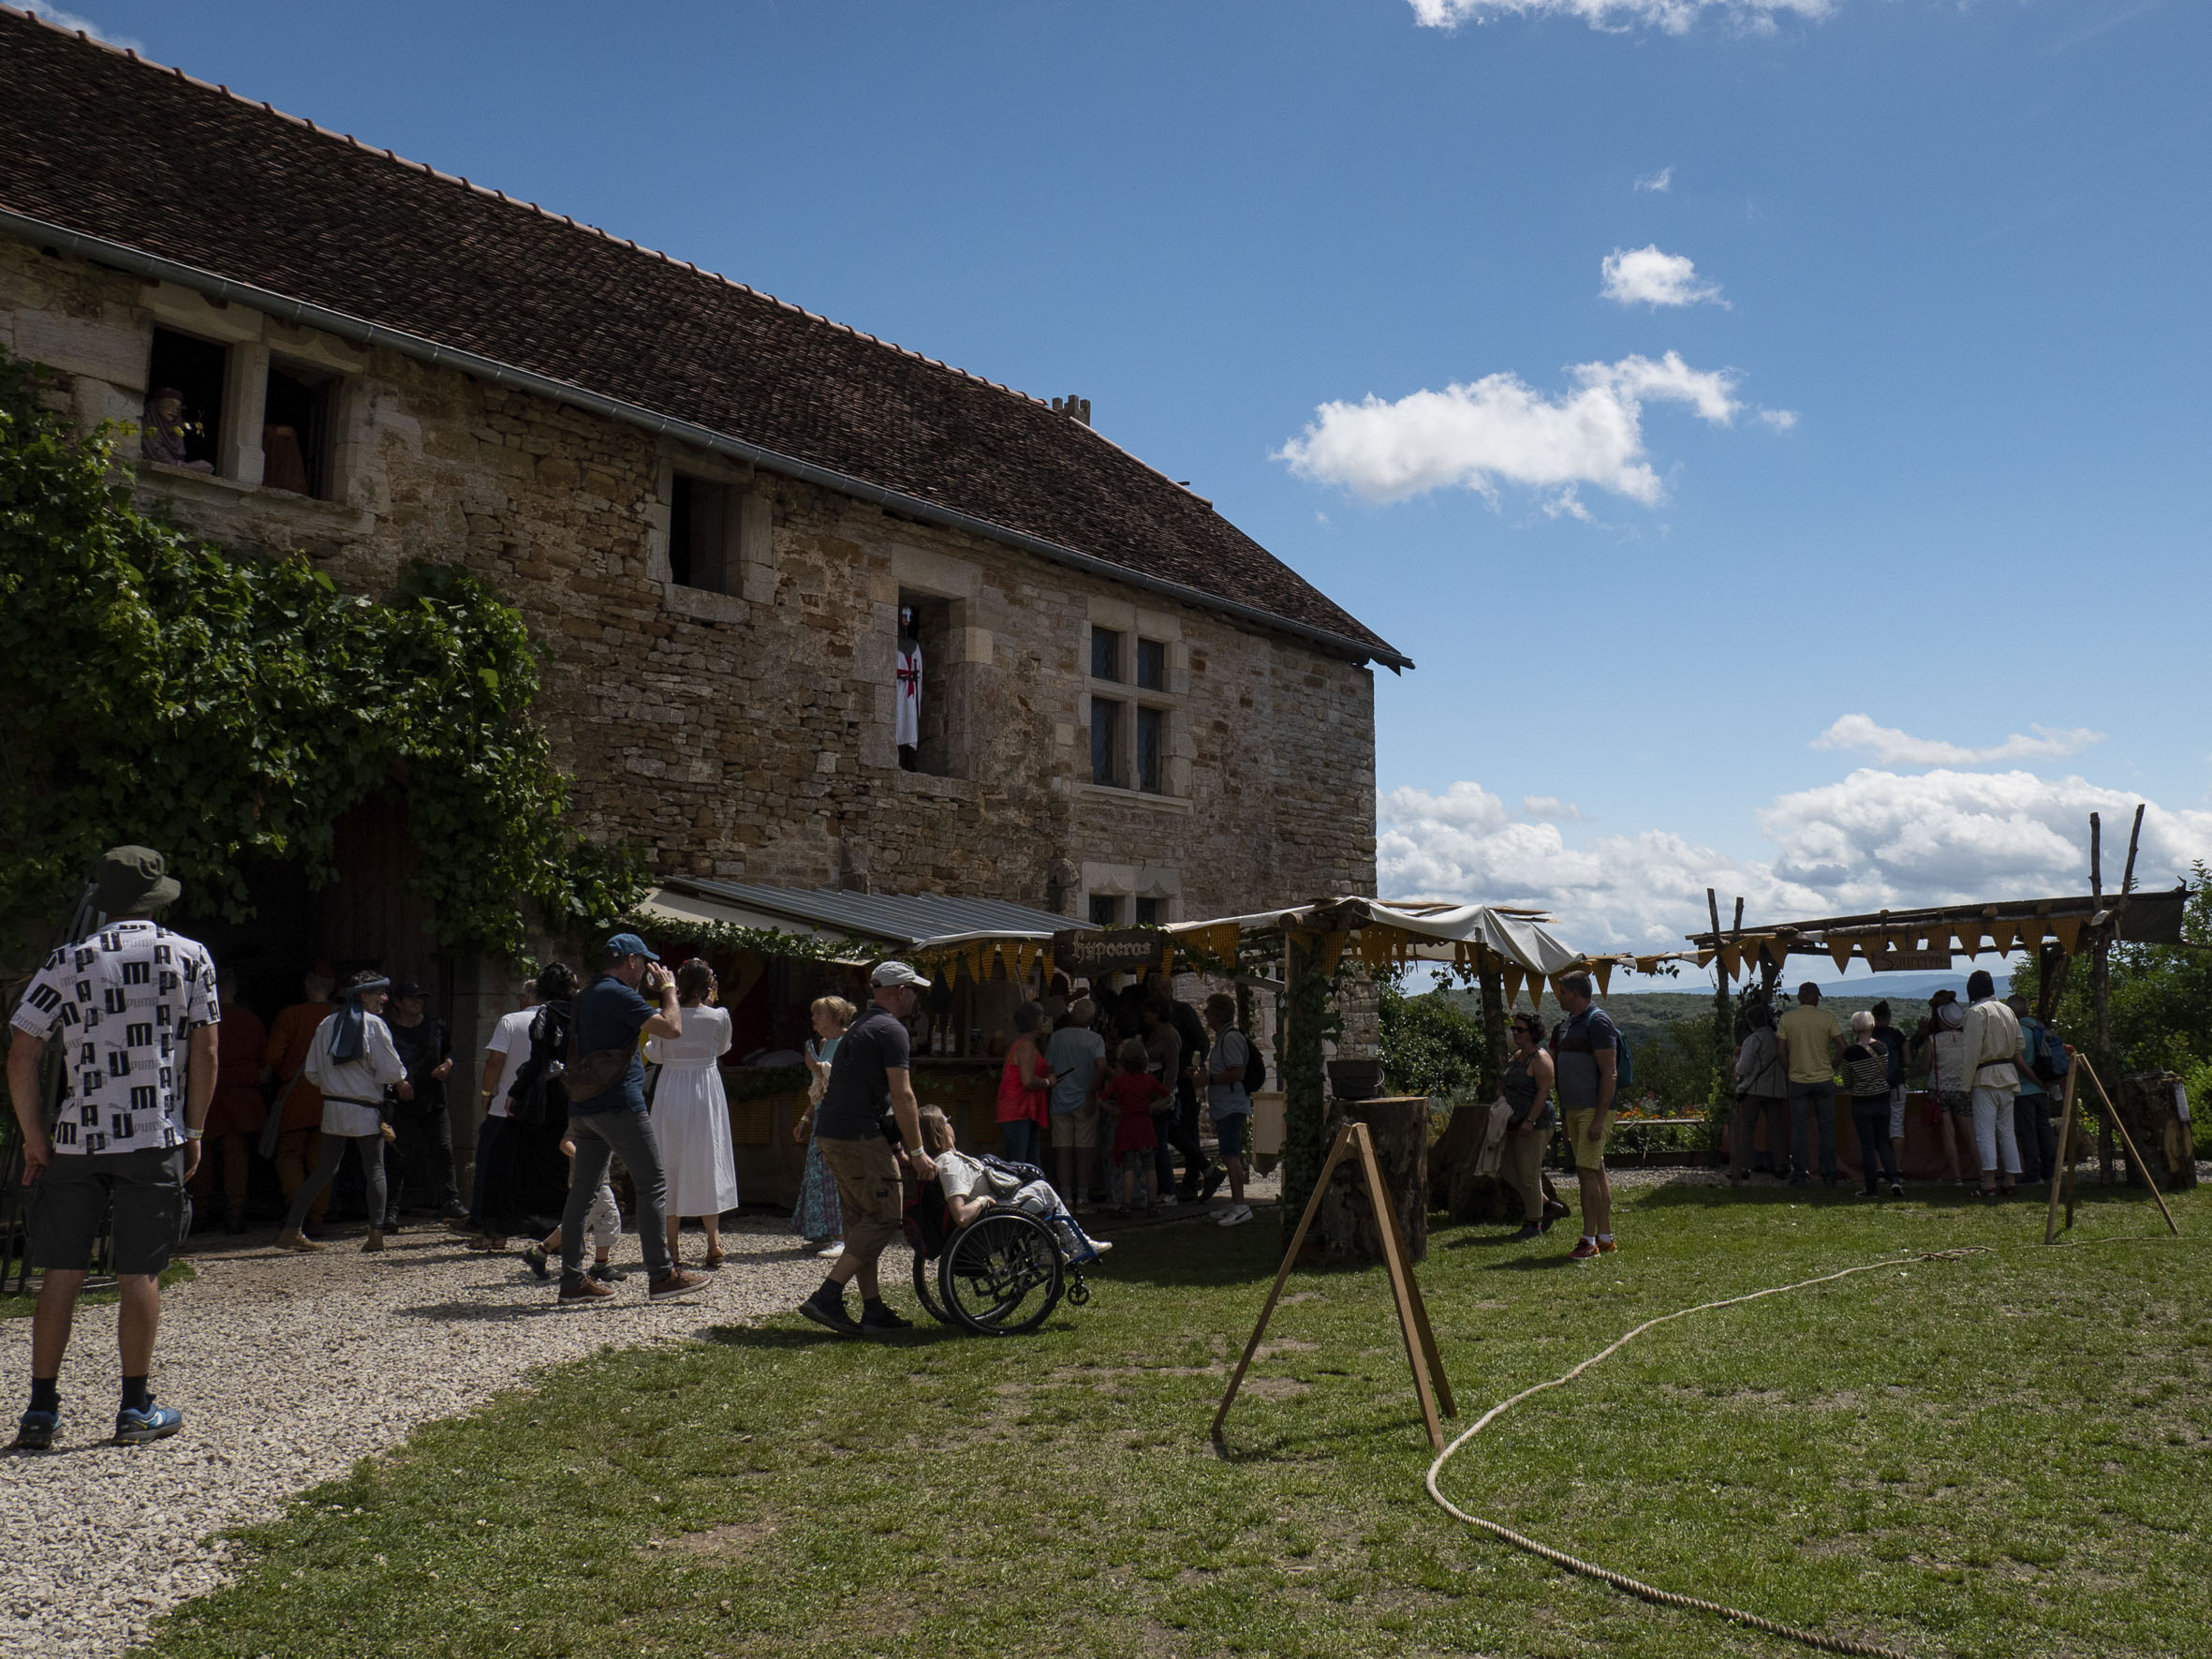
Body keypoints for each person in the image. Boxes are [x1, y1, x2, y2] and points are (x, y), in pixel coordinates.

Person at [8, 847, 218, 1449]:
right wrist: (195, 1130)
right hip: (152, 1136)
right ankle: (134, 1408)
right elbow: (205, 1053)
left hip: (78, 1139)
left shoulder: (67, 960)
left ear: (105, 899)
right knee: (139, 1271)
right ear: (157, 899)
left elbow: (21, 1052)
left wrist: (35, 1139)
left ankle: (41, 1410)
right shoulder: (189, 957)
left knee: (61, 1272)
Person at [553, 935, 705, 1304]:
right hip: (619, 1105)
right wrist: (669, 990)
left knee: (582, 1194)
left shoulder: (588, 993)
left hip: (586, 1107)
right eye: (646, 963)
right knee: (652, 1184)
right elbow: (672, 1028)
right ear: (632, 961)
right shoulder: (619, 994)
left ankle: (573, 1281)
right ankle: (662, 1275)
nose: (649, 970)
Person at [797, 960, 936, 1335]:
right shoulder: (891, 1029)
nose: (915, 997)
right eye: (914, 990)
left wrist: (894, 1143)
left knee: (861, 1221)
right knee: (885, 1215)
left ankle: (872, 1308)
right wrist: (919, 1151)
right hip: (857, 1137)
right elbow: (902, 1095)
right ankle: (827, 1296)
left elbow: (870, 1096)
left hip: (834, 1134)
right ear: (901, 991)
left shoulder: (862, 1027)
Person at [277, 970, 404, 1253]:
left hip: (334, 1107)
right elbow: (391, 1072)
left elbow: (312, 1072)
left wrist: (337, 1086)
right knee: (374, 1167)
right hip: (365, 1107)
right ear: (364, 996)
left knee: (324, 1169)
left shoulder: (326, 1024)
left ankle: (291, 1229)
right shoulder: (374, 1025)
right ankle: (375, 1234)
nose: (384, 998)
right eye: (379, 993)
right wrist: (368, 1083)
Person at [922, 1106, 1109, 1265]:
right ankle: (1078, 1244)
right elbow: (961, 1215)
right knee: (1041, 1189)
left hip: (995, 1212)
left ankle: (1045, 1249)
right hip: (989, 1222)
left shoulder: (949, 1159)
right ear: (939, 1130)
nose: (950, 1125)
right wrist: (982, 1199)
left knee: (1034, 1194)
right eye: (947, 1121)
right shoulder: (949, 1164)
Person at [461, 969, 566, 1252]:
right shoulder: (563, 1020)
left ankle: (494, 1232)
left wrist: (486, 1093)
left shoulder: (511, 1021)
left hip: (508, 1108)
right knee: (540, 1173)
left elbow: (495, 1061)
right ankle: (546, 1232)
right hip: (546, 1111)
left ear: (526, 997)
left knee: (495, 1173)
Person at [649, 959, 738, 1269]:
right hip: (705, 1089)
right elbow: (723, 1047)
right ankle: (714, 1240)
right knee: (707, 1158)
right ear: (708, 986)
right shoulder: (718, 1017)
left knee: (669, 1162)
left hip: (672, 1086)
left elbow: (654, 1052)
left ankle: (671, 1247)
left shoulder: (666, 1016)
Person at [187, 968, 266, 1234]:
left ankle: (198, 1214)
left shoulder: (203, 1020)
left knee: (201, 1156)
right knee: (237, 1158)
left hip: (208, 1093)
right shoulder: (251, 1020)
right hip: (241, 1095)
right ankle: (235, 1213)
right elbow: (264, 1059)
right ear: (235, 989)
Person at [1550, 971, 1619, 1260]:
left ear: (1575, 993)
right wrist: (1566, 1116)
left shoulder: (1598, 1022)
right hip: (1576, 1109)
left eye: (1562, 992)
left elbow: (1609, 1072)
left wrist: (1600, 1117)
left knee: (1586, 1172)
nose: (1559, 996)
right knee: (1596, 1170)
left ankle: (1588, 1239)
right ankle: (1605, 1237)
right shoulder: (1569, 1024)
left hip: (1593, 1108)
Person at [384, 977, 463, 1230]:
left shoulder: (436, 1026)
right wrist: (398, 1082)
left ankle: (450, 1202)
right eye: (411, 998)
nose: (417, 1002)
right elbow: (379, 1062)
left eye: (420, 998)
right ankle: (389, 1211)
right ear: (398, 1003)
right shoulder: (388, 1031)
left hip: (434, 1101)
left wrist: (447, 1066)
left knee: (443, 1151)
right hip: (402, 1104)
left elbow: (450, 1051)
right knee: (398, 1158)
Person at [263, 964, 335, 1237]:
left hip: (295, 1094)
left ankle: (296, 1210)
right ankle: (317, 1216)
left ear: (307, 984)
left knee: (289, 1155)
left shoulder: (290, 1015)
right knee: (323, 1161)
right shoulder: (339, 1016)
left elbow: (272, 1057)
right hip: (329, 1095)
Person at [1143, 970, 1217, 1200]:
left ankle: (1192, 1179)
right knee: (1172, 1132)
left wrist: (1194, 1064)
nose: (1165, 994)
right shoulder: (1150, 1018)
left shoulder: (1183, 1012)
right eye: (1160, 990)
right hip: (1162, 1083)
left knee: (1186, 1129)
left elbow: (1201, 1042)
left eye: (1167, 989)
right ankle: (1203, 1172)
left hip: (1181, 1082)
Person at [520, 1132, 625, 1285]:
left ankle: (540, 1251)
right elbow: (565, 1143)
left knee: (583, 1219)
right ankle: (600, 1265)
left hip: (596, 1176)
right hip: (590, 1178)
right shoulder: (584, 1116)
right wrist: (582, 1158)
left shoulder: (599, 1115)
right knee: (608, 1216)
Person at [791, 996, 851, 1258]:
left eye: (819, 1014)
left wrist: (818, 1067)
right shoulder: (824, 1043)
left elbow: (844, 1080)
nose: (814, 1019)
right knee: (817, 1176)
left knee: (836, 1176)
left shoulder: (850, 1041)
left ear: (836, 1016)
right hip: (821, 1117)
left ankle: (842, 1237)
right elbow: (819, 1090)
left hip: (840, 1119)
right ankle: (823, 1233)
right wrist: (805, 1119)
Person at [1502, 1012, 1569, 1239]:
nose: (1515, 1033)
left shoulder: (1540, 1058)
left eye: (1520, 1029)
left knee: (1528, 1173)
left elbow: (1543, 1092)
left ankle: (1533, 1223)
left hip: (1536, 1122)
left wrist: (1530, 1120)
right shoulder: (1518, 1055)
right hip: (1514, 1121)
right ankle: (1548, 1206)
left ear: (1532, 1033)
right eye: (1514, 1029)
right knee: (1509, 1169)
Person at [1960, 970, 2023, 1199]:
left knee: (1984, 1132)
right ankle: (2010, 1179)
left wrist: (1965, 1085)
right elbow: (2019, 1045)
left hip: (1985, 1077)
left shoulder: (1975, 1013)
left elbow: (1971, 1052)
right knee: (2006, 1131)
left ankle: (1988, 1182)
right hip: (2008, 1074)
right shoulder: (2008, 1010)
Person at [1776, 982, 1845, 1187]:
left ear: (1799, 997)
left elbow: (1780, 1051)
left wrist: (1788, 1071)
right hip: (1824, 1078)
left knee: (1799, 1127)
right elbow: (1842, 1046)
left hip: (1798, 1079)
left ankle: (1800, 1173)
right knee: (1826, 1127)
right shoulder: (1827, 1018)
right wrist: (1833, 1066)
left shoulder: (1787, 1019)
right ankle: (1829, 1173)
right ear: (1816, 998)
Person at [1046, 998, 1107, 1207]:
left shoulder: (1056, 1037)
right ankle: (1082, 1197)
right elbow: (1101, 1066)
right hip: (1085, 1100)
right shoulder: (1095, 1040)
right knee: (1084, 1150)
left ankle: (1065, 1196)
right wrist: (1092, 1092)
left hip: (1060, 1099)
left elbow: (1049, 1067)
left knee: (1063, 1151)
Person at [1201, 993, 1255, 1227]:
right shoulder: (1224, 1037)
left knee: (1231, 1156)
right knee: (1227, 1153)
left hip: (1232, 1106)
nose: (1205, 1015)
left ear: (1218, 1014)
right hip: (1225, 1107)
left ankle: (1241, 1205)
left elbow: (1236, 1073)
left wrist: (1207, 1079)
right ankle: (1235, 1202)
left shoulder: (1231, 1039)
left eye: (1209, 1010)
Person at [1100, 1038, 1168, 1216]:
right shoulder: (1148, 1080)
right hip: (1145, 1125)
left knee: (1128, 1168)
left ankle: (1126, 1204)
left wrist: (1114, 1110)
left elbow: (1102, 1099)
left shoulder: (1119, 1082)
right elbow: (1167, 1095)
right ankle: (1152, 1203)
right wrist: (1154, 1105)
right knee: (1149, 1168)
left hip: (1127, 1127)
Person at [1842, 1012, 1903, 1199]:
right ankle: (1894, 1179)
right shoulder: (1882, 1047)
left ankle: (1871, 1189)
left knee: (1867, 1146)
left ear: (1854, 1028)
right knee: (1883, 1141)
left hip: (1862, 1101)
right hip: (1882, 1099)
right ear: (1872, 1026)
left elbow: (1847, 1080)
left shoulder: (1851, 1053)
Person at [1729, 1001, 1789, 1183]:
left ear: (1749, 1023)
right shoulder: (1778, 1037)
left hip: (1754, 1089)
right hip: (1776, 1088)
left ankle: (1744, 1166)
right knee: (1776, 1127)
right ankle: (1781, 1165)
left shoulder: (1753, 1040)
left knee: (1747, 1128)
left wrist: (1735, 1065)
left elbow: (1745, 1068)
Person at [1916, 993, 1972, 1185]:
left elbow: (1925, 1067)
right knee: (1970, 1134)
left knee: (1948, 1135)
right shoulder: (1969, 1038)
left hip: (1939, 1090)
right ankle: (1983, 1172)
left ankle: (1956, 1177)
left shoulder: (1933, 1040)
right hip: (1963, 1089)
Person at [995, 1000, 1052, 1171]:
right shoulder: (1026, 1046)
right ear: (1034, 1022)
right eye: (1041, 1019)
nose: (1044, 1022)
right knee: (1019, 1164)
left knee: (1029, 1163)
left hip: (1025, 1110)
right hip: (1018, 1110)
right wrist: (1048, 1082)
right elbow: (1027, 1080)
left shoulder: (1024, 1044)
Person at [2010, 994, 2056, 1184]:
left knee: (2027, 1132)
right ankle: (2050, 1171)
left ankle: (2033, 1173)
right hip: (2043, 1089)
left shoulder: (2018, 1031)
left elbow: (2019, 1062)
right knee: (2044, 1129)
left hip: (2024, 1090)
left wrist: (2035, 1080)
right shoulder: (2039, 1028)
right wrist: (2045, 1083)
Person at [1869, 1000, 1911, 1180]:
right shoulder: (1897, 1035)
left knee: (1878, 1128)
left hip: (1874, 1087)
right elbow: (1908, 1061)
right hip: (1897, 1085)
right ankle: (1897, 1169)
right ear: (1889, 1016)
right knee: (1896, 1127)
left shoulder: (1866, 1036)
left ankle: (1880, 1169)